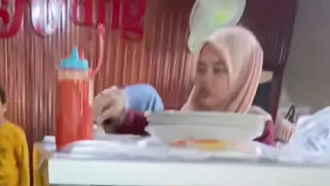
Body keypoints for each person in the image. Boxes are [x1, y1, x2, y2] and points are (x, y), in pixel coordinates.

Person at [94, 27, 274, 146]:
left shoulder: (256, 129)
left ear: (243, 77)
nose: (205, 79)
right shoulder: (189, 117)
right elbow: (150, 124)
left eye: (219, 70)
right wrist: (118, 113)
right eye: (201, 69)